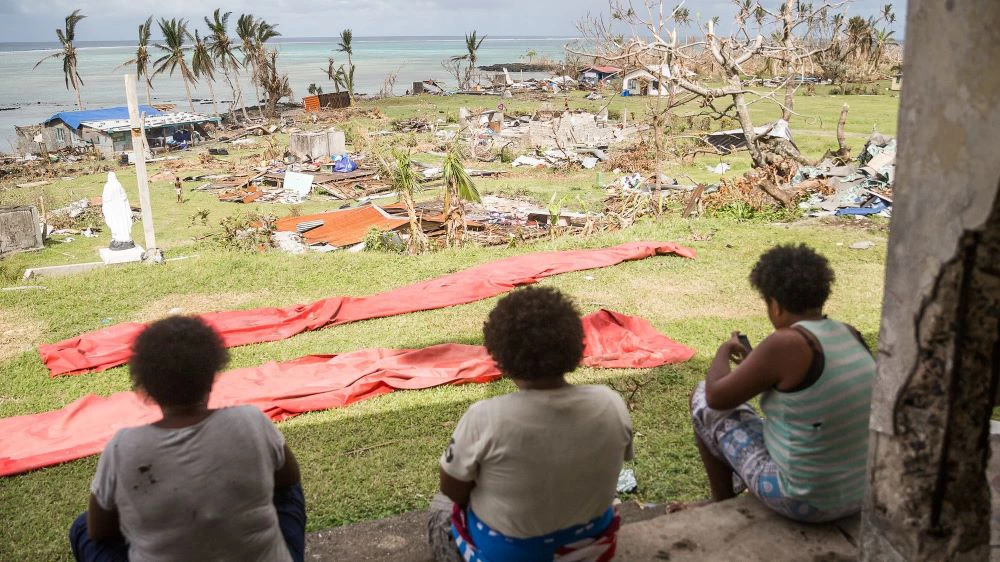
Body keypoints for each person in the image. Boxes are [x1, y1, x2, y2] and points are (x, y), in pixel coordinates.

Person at [69, 316, 306, 562]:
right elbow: (289, 479)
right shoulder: (251, 421)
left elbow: (98, 529)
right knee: (285, 489)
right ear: (212, 375)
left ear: (145, 388)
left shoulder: (123, 447)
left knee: (81, 528)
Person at [428, 287, 633, 562]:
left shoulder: (484, 417)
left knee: (441, 507)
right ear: (575, 344)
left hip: (513, 555)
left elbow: (452, 490)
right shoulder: (610, 403)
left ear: (500, 356)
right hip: (593, 546)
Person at [689, 244, 875, 523]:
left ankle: (721, 502)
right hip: (863, 493)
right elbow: (813, 388)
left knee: (701, 396)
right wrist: (759, 367)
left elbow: (717, 397)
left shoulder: (785, 342)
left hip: (807, 501)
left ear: (775, 305)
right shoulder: (849, 333)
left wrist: (723, 352)